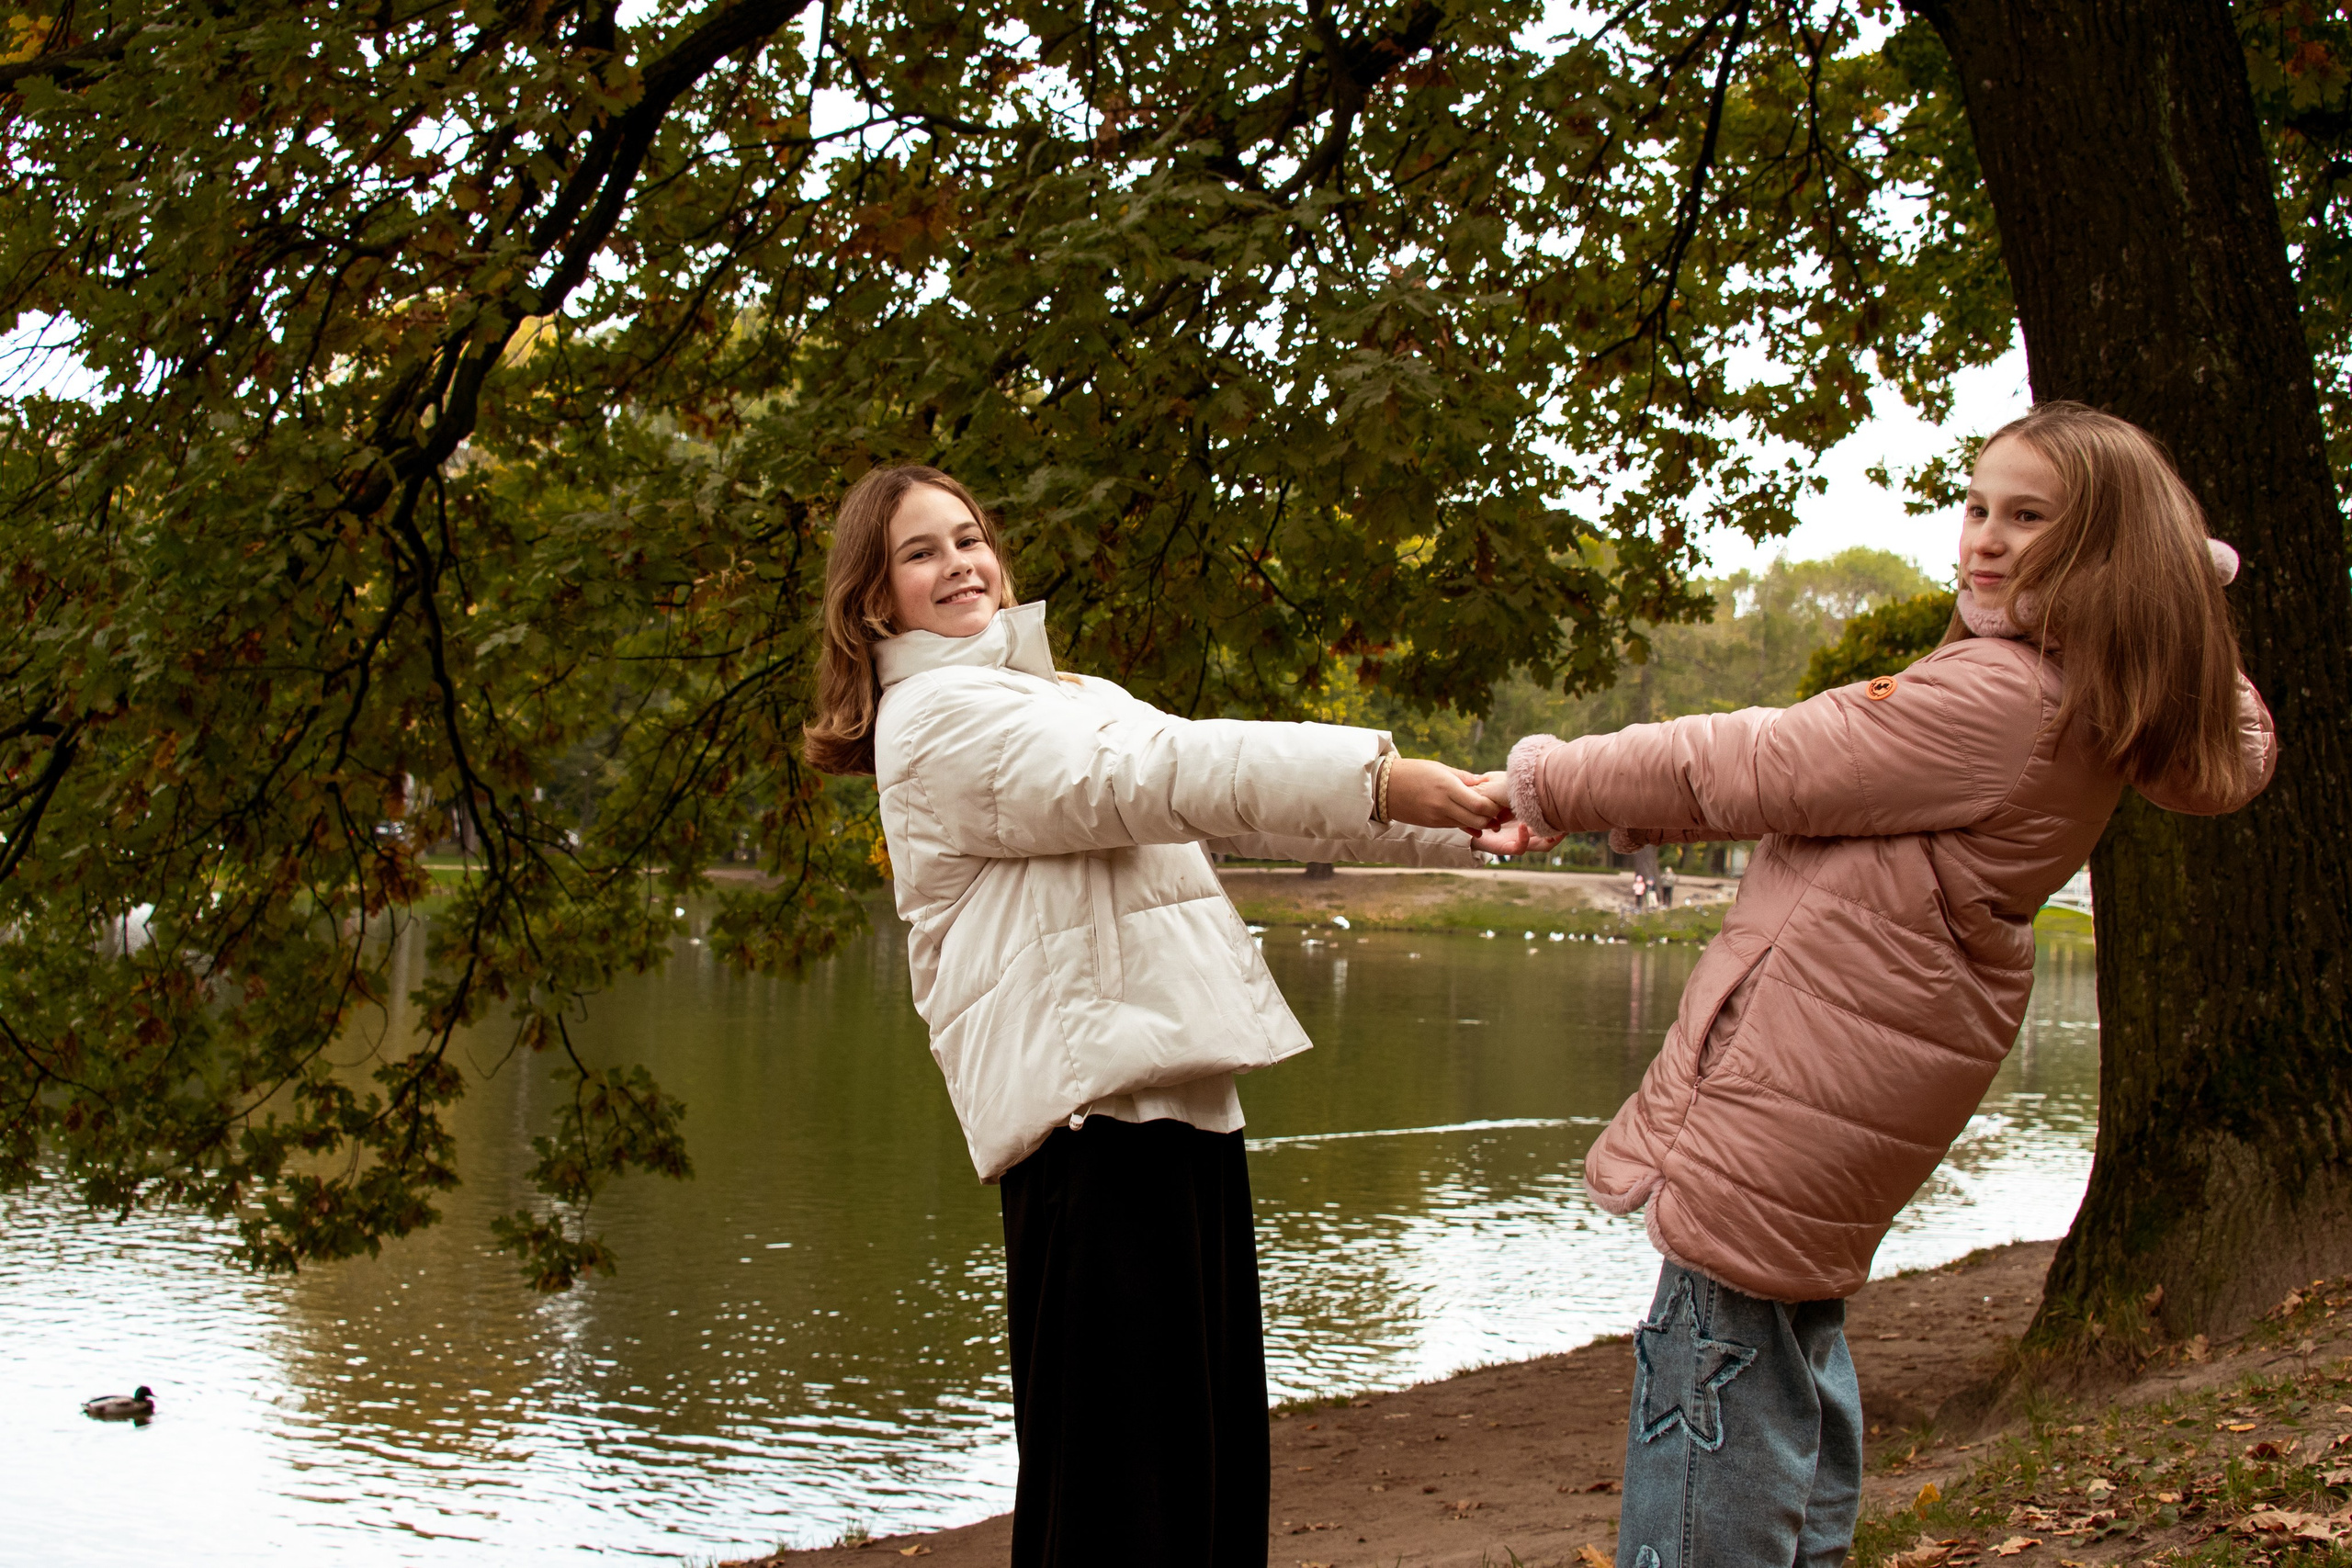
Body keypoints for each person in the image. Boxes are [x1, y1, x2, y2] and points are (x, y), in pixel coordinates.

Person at [1482, 402, 2277, 1568]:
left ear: (2106, 550)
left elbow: (1754, 757)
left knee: (1713, 1363)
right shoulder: (2073, 691)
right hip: (1856, 1072)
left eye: (2028, 517)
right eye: (1975, 508)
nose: (1984, 540)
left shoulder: (2004, 698)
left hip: (1798, 1076)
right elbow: (1823, 806)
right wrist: (1616, 812)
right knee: (1790, 1341)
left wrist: (1543, 778)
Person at [802, 465, 1529, 1568]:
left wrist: (1464, 817)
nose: (959, 564)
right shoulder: (938, 721)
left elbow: (1220, 797)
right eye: (921, 552)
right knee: (1119, 1504)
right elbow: (1168, 769)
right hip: (1093, 1125)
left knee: (1198, 1479)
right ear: (873, 600)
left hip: (1179, 1108)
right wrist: (1379, 774)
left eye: (969, 538)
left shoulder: (1068, 697)